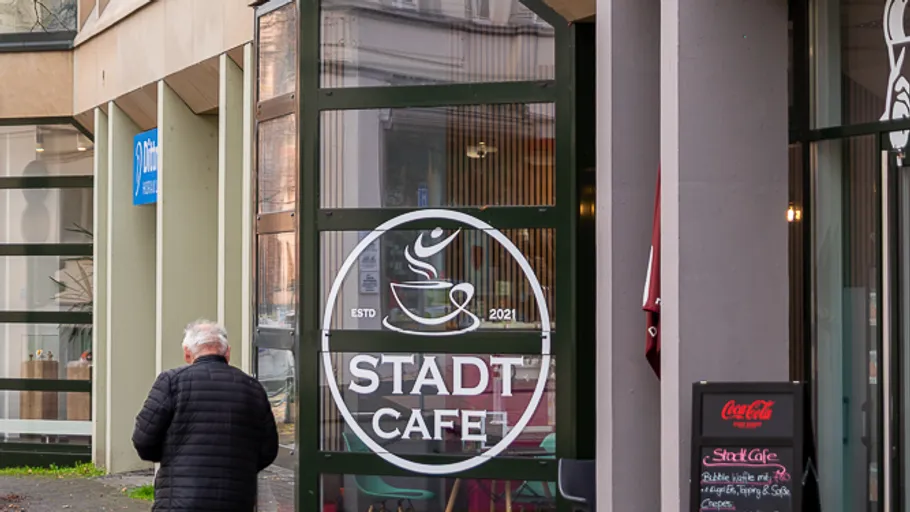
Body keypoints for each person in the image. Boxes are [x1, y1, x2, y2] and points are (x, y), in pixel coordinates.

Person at [132, 319, 279, 511]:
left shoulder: (171, 382)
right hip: (235, 500)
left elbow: (143, 440)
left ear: (187, 353)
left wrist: (173, 456)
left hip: (179, 501)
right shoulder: (252, 388)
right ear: (227, 352)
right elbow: (268, 449)